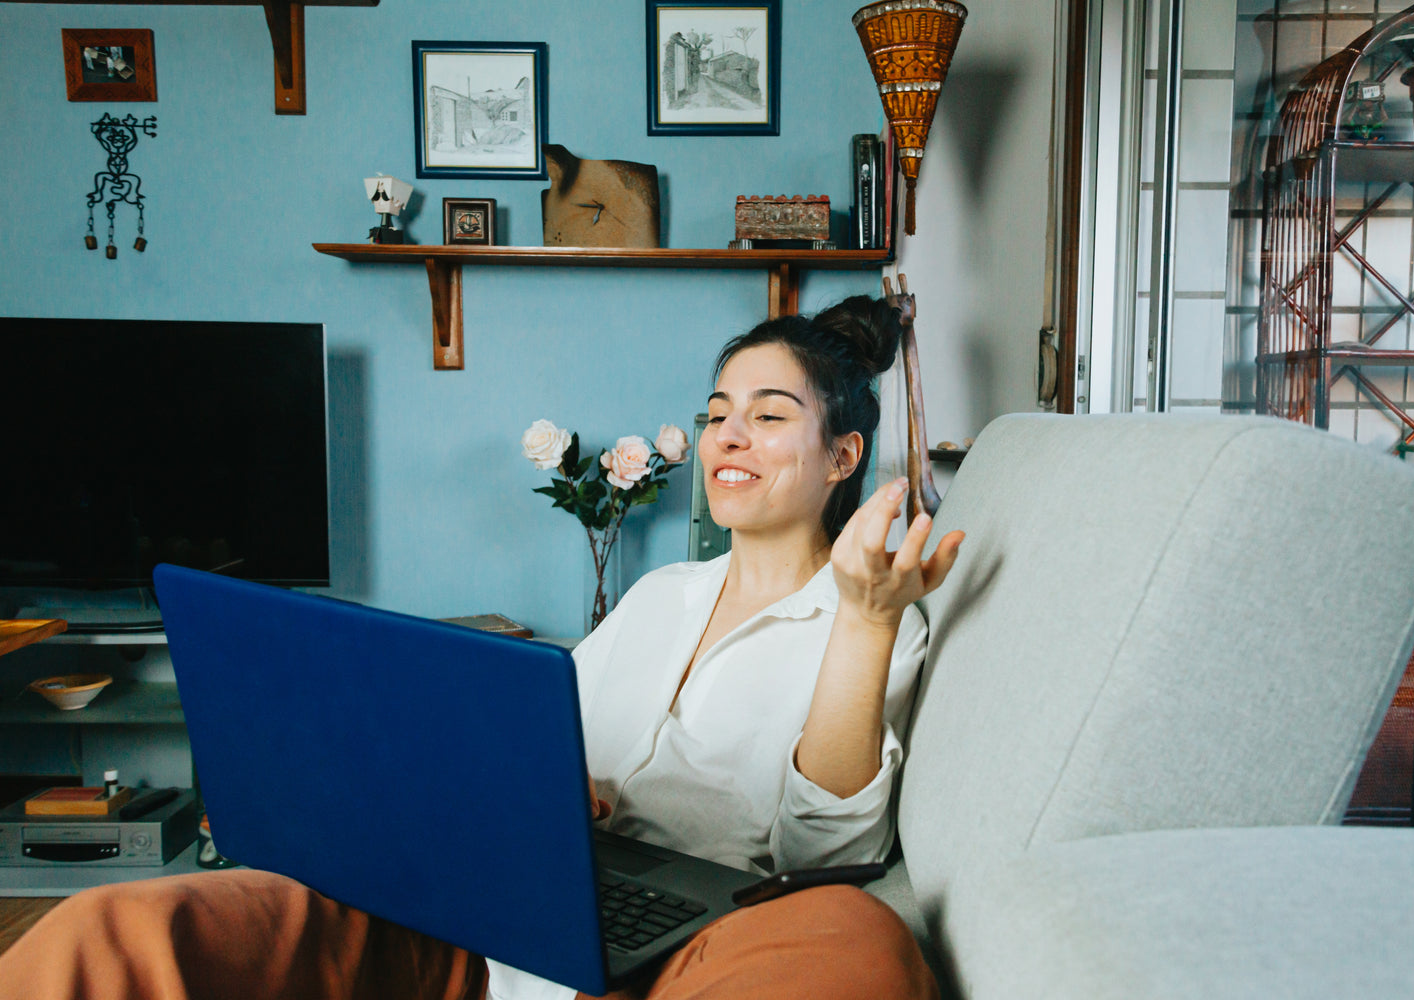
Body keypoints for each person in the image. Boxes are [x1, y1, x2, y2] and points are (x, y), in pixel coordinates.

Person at [0, 295, 964, 1000]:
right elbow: (527, 738)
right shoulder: (657, 596)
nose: (726, 437)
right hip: (488, 920)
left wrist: (867, 618)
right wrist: (542, 788)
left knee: (856, 940)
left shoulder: (876, 619)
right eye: (717, 413)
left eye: (768, 415)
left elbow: (829, 849)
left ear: (842, 457)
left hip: (690, 951)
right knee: (120, 926)